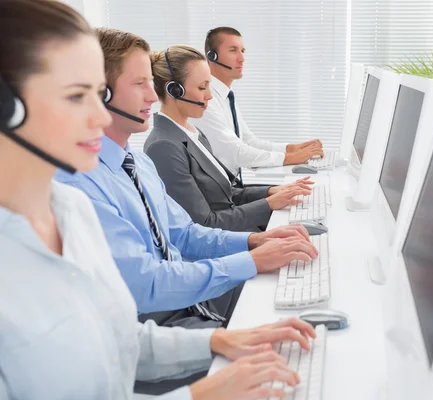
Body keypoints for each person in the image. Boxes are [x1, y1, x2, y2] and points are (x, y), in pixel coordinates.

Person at [0, 1, 316, 399]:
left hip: (179, 329)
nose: (99, 117)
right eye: (77, 96)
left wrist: (217, 342)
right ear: (6, 107)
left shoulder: (69, 210)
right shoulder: (73, 200)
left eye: (98, 95)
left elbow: (115, 339)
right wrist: (200, 395)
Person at [56, 26, 318, 328]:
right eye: (140, 83)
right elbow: (147, 284)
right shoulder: (80, 185)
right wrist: (252, 260)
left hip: (188, 305)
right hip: (161, 323)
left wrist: (255, 241)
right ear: (101, 94)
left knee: (292, 309)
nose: (154, 95)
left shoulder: (138, 164)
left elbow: (185, 234)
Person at [145, 45, 315, 232]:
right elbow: (203, 224)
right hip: (222, 243)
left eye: (209, 85)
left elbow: (222, 195)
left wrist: (272, 191)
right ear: (174, 90)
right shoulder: (164, 147)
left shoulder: (192, 133)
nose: (209, 96)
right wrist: (269, 204)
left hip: (233, 229)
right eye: (202, 87)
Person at [192, 26, 324, 178]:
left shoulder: (226, 96)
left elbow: (248, 141)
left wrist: (292, 148)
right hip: (221, 193)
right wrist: (291, 158)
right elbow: (235, 152)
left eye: (243, 51)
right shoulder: (205, 100)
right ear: (212, 56)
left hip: (232, 187)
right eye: (233, 50)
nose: (242, 58)